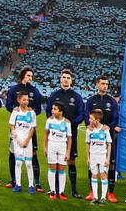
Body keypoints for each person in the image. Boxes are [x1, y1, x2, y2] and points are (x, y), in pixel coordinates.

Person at [47, 68, 86, 198]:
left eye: (68, 78)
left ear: (71, 81)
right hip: (55, 135)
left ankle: (73, 190)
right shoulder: (54, 95)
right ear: (60, 79)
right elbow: (48, 112)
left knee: (71, 161)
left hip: (71, 134)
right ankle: (55, 189)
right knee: (56, 162)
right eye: (64, 77)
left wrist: (72, 122)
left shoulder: (76, 97)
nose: (66, 79)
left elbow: (82, 114)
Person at [85, 76, 119, 202]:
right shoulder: (91, 100)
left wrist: (108, 127)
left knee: (110, 164)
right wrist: (89, 126)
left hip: (108, 134)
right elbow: (86, 115)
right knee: (92, 165)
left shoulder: (112, 101)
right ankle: (92, 191)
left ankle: (110, 193)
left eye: (107, 84)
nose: (105, 86)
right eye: (103, 83)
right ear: (97, 85)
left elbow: (115, 117)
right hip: (95, 136)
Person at [9, 67, 44, 190]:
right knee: (13, 152)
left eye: (31, 76)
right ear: (23, 75)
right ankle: (13, 180)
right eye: (29, 75)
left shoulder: (35, 91)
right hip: (17, 127)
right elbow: (9, 105)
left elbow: (39, 109)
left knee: (33, 153)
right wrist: (15, 109)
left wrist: (32, 111)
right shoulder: (14, 89)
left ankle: (36, 182)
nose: (31, 78)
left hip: (29, 126)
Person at [8, 90, 37, 193]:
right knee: (18, 163)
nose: (26, 102)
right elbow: (12, 126)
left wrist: (27, 140)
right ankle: (18, 184)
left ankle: (31, 185)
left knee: (29, 163)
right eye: (24, 100)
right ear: (19, 100)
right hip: (17, 141)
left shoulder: (32, 113)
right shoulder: (15, 112)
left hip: (28, 141)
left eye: (27, 100)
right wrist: (18, 139)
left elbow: (32, 128)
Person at [44, 102, 72, 200]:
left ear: (60, 112)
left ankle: (61, 191)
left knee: (61, 169)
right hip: (52, 145)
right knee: (52, 168)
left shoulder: (67, 123)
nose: (52, 111)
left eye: (55, 109)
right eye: (52, 108)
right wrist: (44, 147)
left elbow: (69, 139)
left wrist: (68, 152)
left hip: (62, 147)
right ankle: (52, 191)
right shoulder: (49, 121)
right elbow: (46, 134)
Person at [84, 110, 111, 204]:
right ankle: (95, 197)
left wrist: (108, 158)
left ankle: (103, 197)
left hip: (102, 156)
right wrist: (88, 157)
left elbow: (109, 144)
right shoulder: (89, 131)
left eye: (91, 118)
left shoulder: (105, 130)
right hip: (93, 156)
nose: (89, 120)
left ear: (97, 120)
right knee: (94, 175)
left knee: (103, 175)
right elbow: (87, 144)